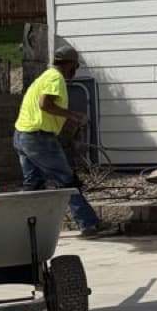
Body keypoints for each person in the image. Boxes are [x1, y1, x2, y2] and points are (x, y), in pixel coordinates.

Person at [13, 47, 119, 237]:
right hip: (38, 139)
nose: (75, 70)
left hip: (22, 136)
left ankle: (20, 228)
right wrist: (74, 116)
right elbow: (45, 104)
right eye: (75, 66)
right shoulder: (56, 78)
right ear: (70, 64)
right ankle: (89, 225)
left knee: (33, 184)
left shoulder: (45, 76)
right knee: (67, 181)